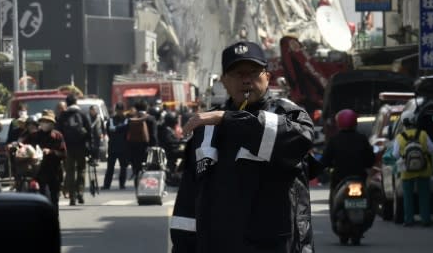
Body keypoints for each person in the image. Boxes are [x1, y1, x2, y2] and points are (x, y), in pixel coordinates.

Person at [170, 40, 315, 253]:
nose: (246, 80)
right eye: (237, 74)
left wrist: (230, 120)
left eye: (254, 72)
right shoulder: (207, 127)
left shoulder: (288, 114)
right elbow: (189, 201)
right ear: (224, 81)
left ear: (267, 76)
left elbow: (299, 140)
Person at [320, 108, 374, 227]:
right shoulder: (362, 139)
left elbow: (325, 160)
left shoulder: (334, 140)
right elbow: (370, 160)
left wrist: (325, 168)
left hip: (340, 178)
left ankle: (336, 218)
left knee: (333, 197)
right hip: (359, 176)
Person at [18, 110, 66, 213]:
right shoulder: (34, 135)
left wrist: (51, 152)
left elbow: (63, 154)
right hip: (39, 171)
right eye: (43, 121)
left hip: (54, 172)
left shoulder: (58, 136)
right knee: (42, 198)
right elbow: (22, 144)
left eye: (48, 122)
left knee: (54, 200)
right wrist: (16, 147)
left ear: (53, 124)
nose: (45, 124)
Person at [393, 115, 433, 227]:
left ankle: (408, 220)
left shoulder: (400, 137)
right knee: (424, 196)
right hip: (424, 168)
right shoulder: (423, 134)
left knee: (408, 196)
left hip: (407, 170)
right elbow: (432, 149)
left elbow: (395, 154)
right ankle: (426, 219)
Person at [56, 93, 92, 206]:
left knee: (70, 171)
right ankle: (80, 193)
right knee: (81, 169)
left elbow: (58, 132)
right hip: (81, 146)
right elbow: (89, 130)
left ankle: (72, 197)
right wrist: (90, 145)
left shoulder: (63, 115)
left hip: (67, 148)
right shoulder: (82, 113)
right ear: (76, 102)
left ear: (67, 103)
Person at [126, 100, 158, 188]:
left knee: (137, 167)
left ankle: (137, 183)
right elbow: (153, 135)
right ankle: (146, 187)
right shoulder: (151, 118)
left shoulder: (132, 119)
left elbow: (127, 135)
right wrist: (154, 147)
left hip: (134, 147)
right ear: (146, 107)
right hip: (146, 147)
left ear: (136, 109)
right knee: (147, 168)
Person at [103, 102, 129, 190]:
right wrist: (118, 130)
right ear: (116, 110)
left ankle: (122, 184)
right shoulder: (111, 120)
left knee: (123, 167)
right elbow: (109, 131)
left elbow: (123, 130)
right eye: (118, 110)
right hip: (114, 146)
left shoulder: (126, 120)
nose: (119, 112)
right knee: (110, 167)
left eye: (121, 110)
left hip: (122, 147)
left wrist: (116, 129)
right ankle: (107, 185)